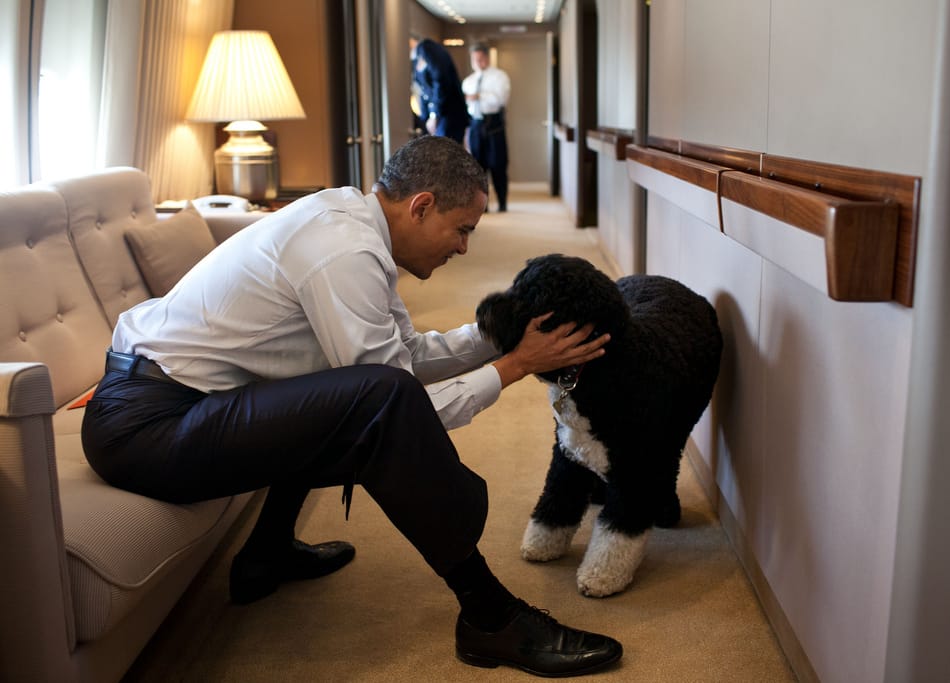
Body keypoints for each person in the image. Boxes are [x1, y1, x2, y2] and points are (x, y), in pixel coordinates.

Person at [80, 135, 622, 678]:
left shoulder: (354, 223)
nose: (463, 248)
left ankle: (266, 553)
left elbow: (404, 357)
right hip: (146, 429)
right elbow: (397, 403)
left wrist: (500, 336)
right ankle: (489, 616)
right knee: (374, 401)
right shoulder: (344, 250)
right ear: (421, 206)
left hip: (169, 404)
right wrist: (517, 365)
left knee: (338, 381)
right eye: (462, 230)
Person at [462, 43, 511, 212]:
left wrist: (479, 96)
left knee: (498, 165)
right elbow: (466, 103)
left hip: (494, 125)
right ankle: (483, 205)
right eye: (474, 59)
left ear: (487, 58)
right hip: (476, 124)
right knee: (478, 168)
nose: (477, 62)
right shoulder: (468, 81)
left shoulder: (500, 77)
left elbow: (500, 100)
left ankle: (503, 202)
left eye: (480, 59)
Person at [413, 38, 470, 143]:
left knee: (446, 149)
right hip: (436, 116)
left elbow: (440, 82)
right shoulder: (417, 58)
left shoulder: (427, 48)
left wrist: (434, 115)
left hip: (448, 116)